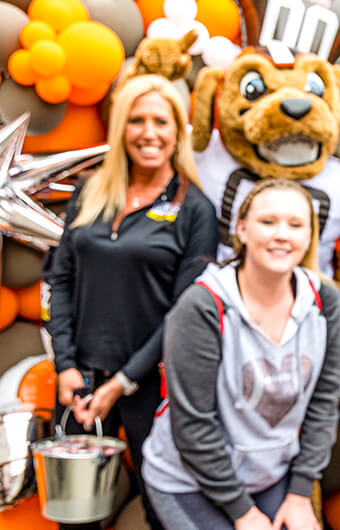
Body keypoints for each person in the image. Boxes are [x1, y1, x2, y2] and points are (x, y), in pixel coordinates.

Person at [44, 74, 218, 530]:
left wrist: (122, 381)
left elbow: (186, 313)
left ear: (178, 130)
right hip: (78, 385)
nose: (149, 132)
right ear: (121, 127)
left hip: (153, 391)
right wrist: (66, 366)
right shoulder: (90, 191)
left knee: (166, 514)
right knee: (74, 517)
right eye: (136, 120)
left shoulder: (194, 208)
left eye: (161, 121)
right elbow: (60, 280)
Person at [142, 179, 340, 530]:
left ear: (310, 236)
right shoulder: (203, 305)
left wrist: (299, 492)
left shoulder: (324, 301)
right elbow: (193, 424)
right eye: (268, 221)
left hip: (270, 476)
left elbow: (324, 402)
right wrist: (243, 513)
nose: (282, 234)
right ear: (242, 229)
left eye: (296, 224)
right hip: (188, 481)